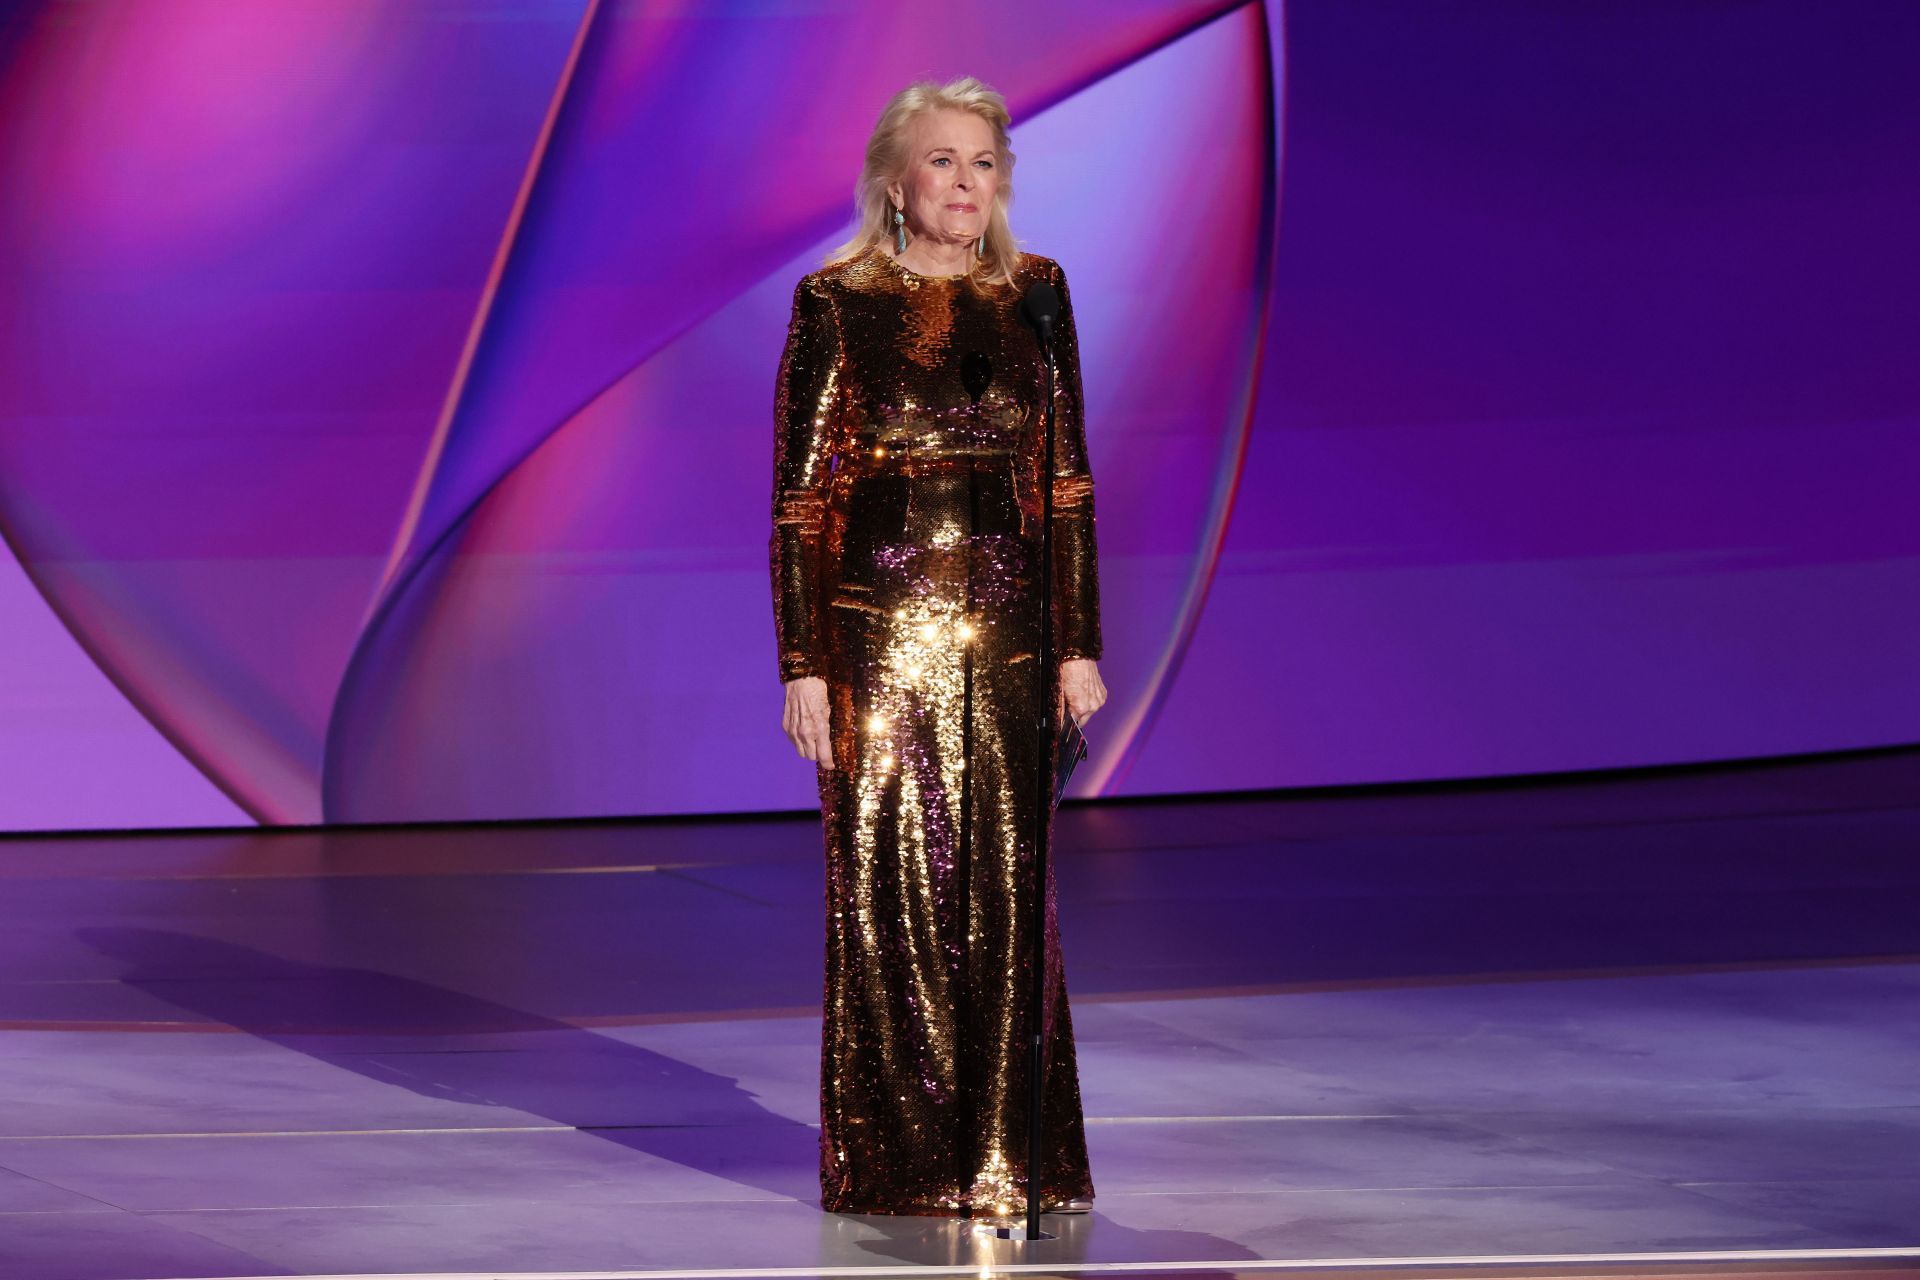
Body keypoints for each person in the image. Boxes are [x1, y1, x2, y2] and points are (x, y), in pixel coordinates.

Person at [770, 75, 1108, 1218]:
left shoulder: (1038, 296)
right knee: (892, 889)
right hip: (881, 634)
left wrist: (1079, 645)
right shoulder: (837, 302)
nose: (968, 183)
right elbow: (802, 504)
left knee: (1010, 889)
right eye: (944, 163)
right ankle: (904, 1161)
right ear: (896, 184)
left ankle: (1011, 1155)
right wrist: (803, 661)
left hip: (1011, 632)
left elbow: (1066, 486)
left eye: (983, 163)